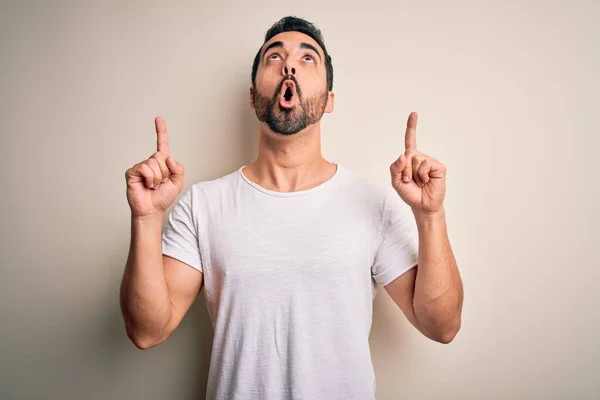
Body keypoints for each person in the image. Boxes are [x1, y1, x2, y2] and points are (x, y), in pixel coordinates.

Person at [120, 16, 463, 400]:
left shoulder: (374, 204)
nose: (289, 65)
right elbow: (147, 330)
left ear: (330, 100)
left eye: (308, 58)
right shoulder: (203, 205)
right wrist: (146, 218)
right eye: (274, 57)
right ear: (252, 97)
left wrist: (430, 216)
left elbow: (442, 326)